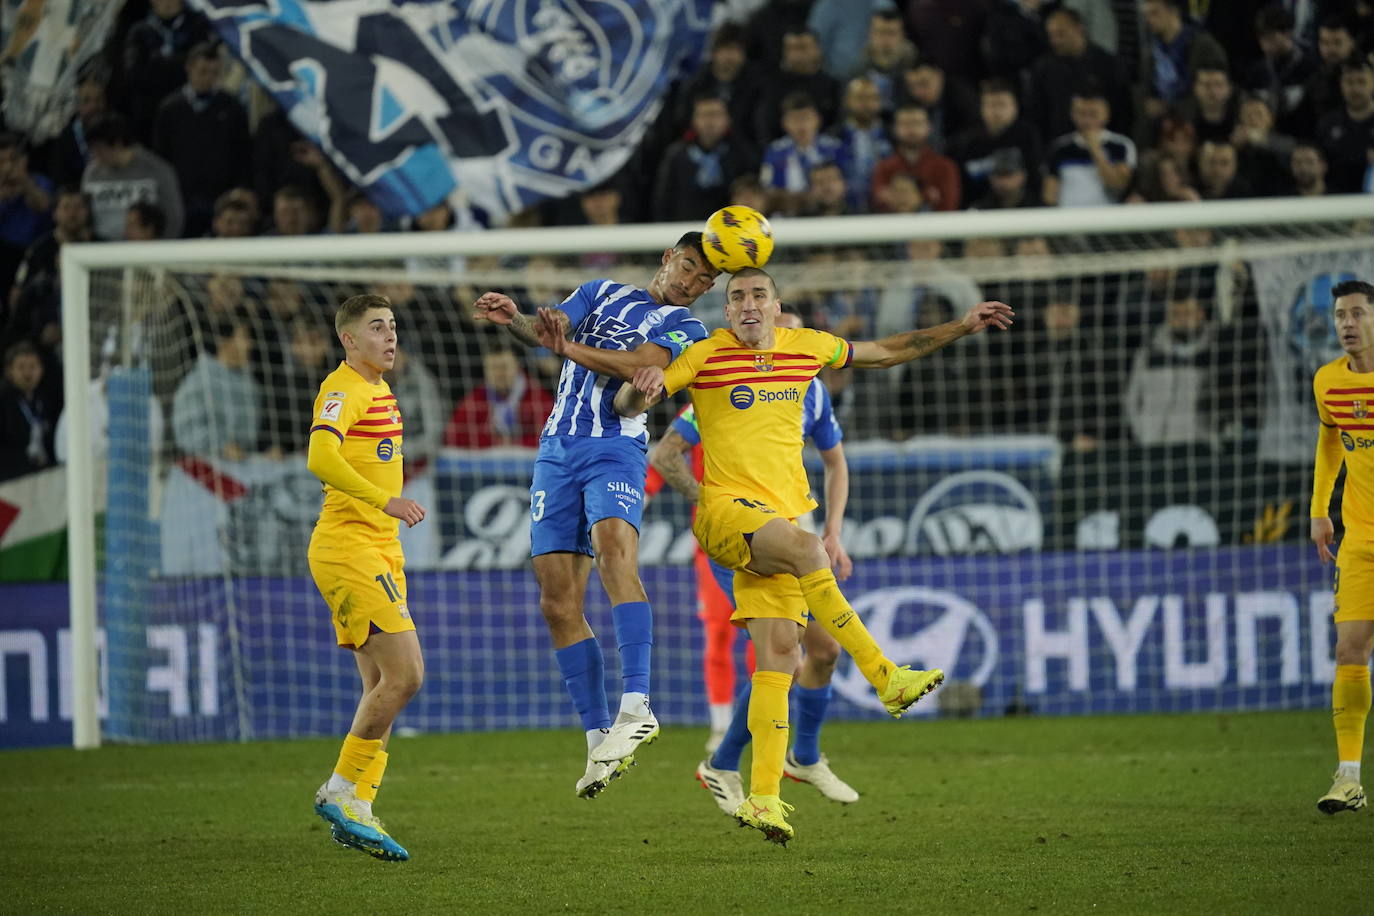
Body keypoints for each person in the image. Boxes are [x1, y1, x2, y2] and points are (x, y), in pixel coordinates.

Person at [611, 267, 1013, 843]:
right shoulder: (703, 354)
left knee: (780, 658)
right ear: (727, 312)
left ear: (776, 307)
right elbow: (630, 404)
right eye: (737, 298)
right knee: (806, 547)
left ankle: (765, 798)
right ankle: (886, 675)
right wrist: (639, 385)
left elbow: (888, 351)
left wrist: (962, 326)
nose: (747, 305)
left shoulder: (807, 351)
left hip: (776, 520)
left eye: (758, 296)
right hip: (726, 516)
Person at [472, 232, 718, 798]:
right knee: (557, 602)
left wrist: (566, 349)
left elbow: (638, 367)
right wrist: (515, 319)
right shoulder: (601, 290)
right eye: (688, 267)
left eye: (704, 280)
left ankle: (639, 705)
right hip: (556, 450)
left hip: (616, 446)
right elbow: (550, 330)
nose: (691, 283)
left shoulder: (689, 329)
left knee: (614, 556)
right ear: (667, 257)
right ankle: (597, 741)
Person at [646, 308, 861, 810]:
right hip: (741, 538)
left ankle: (794, 757)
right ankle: (726, 762)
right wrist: (718, 505)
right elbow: (664, 455)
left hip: (795, 530)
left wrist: (833, 531)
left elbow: (835, 462)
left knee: (824, 652)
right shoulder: (723, 385)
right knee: (781, 655)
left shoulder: (812, 391)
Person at [307, 293, 426, 861]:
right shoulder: (342, 389)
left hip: (379, 551)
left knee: (380, 687)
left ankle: (359, 800)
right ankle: (340, 791)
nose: (390, 335)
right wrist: (387, 501)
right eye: (377, 327)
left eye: (394, 326)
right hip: (349, 548)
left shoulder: (378, 389)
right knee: (406, 676)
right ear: (349, 340)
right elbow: (320, 458)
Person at [1311, 278, 1374, 815]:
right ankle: (1348, 778)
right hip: (1360, 542)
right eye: (1339, 316)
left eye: (1356, 313)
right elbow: (1330, 440)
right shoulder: (1328, 381)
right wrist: (1319, 511)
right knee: (1350, 651)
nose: (1347, 324)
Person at [443, 345, 554, 449]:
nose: (499, 374)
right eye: (493, 368)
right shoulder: (476, 399)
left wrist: (512, 446)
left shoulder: (539, 398)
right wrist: (497, 443)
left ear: (517, 367)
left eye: (504, 367)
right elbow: (453, 436)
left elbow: (551, 437)